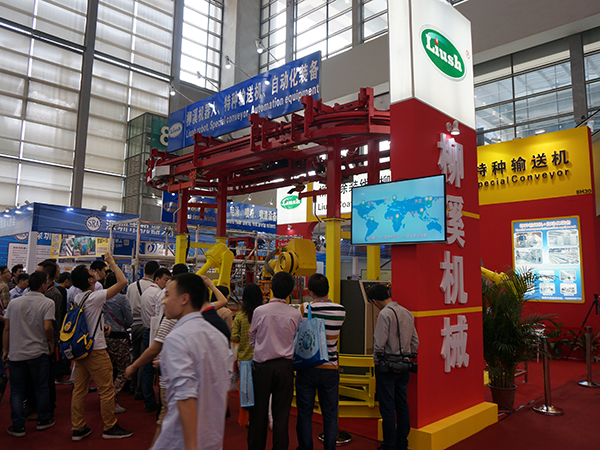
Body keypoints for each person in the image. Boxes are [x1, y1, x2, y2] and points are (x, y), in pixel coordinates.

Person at [153, 272, 233, 450]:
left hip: (180, 442)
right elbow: (223, 387)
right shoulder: (218, 336)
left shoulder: (177, 338)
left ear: (184, 299)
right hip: (212, 438)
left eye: (168, 295)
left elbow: (185, 397)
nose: (164, 301)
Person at [69, 253, 133, 441]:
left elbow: (86, 320)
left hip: (81, 349)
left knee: (79, 390)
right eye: (91, 272)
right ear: (89, 280)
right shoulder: (94, 297)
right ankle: (110, 426)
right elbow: (122, 282)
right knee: (106, 390)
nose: (95, 272)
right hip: (96, 350)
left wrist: (101, 327)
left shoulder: (79, 297)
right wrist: (112, 262)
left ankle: (78, 427)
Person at [248, 271, 302, 450]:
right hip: (285, 367)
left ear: (270, 287)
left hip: (262, 367)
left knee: (258, 413)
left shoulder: (259, 311)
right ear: (291, 291)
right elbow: (294, 338)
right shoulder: (295, 314)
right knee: (281, 415)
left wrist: (262, 345)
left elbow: (252, 338)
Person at [295, 273, 347, 450]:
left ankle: (305, 447)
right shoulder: (341, 310)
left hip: (307, 366)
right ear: (328, 290)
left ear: (310, 291)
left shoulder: (304, 308)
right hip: (330, 368)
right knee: (330, 415)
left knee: (305, 413)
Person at [2, 270, 56, 437]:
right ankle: (43, 420)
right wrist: (51, 342)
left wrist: (5, 350)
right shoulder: (48, 303)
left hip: (16, 353)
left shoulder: (14, 303)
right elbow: (48, 327)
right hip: (38, 352)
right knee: (41, 387)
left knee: (17, 390)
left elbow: (7, 328)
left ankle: (18, 426)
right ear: (43, 285)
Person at [367, 284, 419, 450]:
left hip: (387, 367)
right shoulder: (407, 312)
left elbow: (379, 343)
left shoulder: (384, 314)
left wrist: (377, 361)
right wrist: (407, 355)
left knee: (387, 407)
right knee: (402, 404)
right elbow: (415, 341)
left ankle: (388, 445)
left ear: (375, 301)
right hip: (404, 365)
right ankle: (402, 443)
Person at [231, 283, 264, 427]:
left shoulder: (239, 316)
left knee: (245, 391)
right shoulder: (262, 315)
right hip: (260, 358)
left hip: (244, 359)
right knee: (260, 390)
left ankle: (246, 419)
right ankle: (260, 418)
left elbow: (234, 337)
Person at [140, 267, 171, 413]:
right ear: (157, 279)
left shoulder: (146, 291)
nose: (167, 283)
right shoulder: (160, 293)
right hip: (155, 332)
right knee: (154, 369)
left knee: (147, 369)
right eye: (166, 280)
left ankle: (147, 399)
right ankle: (153, 401)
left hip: (148, 330)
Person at [127, 260, 159, 399]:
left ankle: (132, 385)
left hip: (133, 325)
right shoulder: (154, 289)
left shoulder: (131, 286)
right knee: (144, 359)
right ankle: (139, 390)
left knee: (135, 356)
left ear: (144, 270)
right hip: (146, 325)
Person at [103, 272, 134, 414]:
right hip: (119, 336)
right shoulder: (121, 298)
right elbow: (129, 319)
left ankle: (104, 398)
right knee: (123, 370)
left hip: (102, 337)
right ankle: (113, 400)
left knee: (105, 370)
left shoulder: (101, 296)